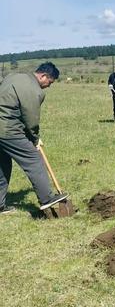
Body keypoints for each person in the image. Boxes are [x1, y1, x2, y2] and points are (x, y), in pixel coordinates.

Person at [0, 62, 68, 214]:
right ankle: (47, 198)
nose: (48, 86)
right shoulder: (34, 90)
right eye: (49, 82)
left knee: (2, 166)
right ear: (43, 76)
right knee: (34, 160)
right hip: (7, 130)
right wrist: (35, 139)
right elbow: (31, 120)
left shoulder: (13, 76)